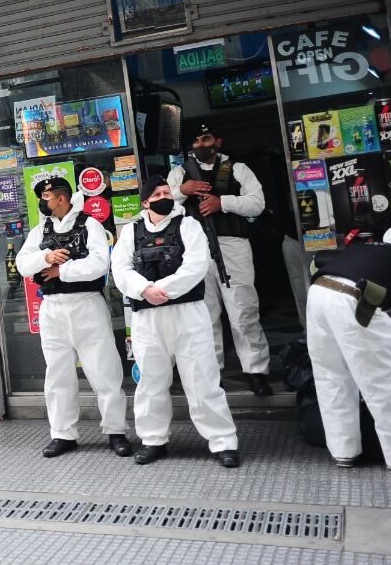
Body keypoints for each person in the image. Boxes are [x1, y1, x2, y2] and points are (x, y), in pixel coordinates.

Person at [112, 176, 241, 467]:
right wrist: (145, 289)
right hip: (147, 318)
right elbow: (120, 270)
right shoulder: (131, 231)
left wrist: (163, 290)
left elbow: (196, 265)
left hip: (187, 313)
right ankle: (153, 440)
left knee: (203, 379)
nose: (164, 196)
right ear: (145, 202)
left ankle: (223, 442)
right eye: (157, 193)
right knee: (151, 381)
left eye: (166, 191)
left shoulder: (188, 225)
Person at [307, 227, 391, 470]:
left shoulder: (371, 250)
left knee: (332, 377)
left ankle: (344, 450)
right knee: (389, 378)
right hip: (356, 299)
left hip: (318, 294)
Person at [15, 176, 132, 459]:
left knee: (104, 370)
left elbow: (99, 264)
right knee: (57, 374)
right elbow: (22, 263)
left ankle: (116, 431)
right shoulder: (40, 230)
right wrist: (46, 258)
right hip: (52, 307)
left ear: (61, 198)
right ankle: (63, 434)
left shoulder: (90, 225)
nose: (43, 202)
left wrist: (61, 271)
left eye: (46, 197)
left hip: (86, 305)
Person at [167, 123, 273, 396]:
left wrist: (222, 203)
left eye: (206, 138)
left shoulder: (238, 169)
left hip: (232, 245)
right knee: (205, 315)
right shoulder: (179, 174)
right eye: (197, 141)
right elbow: (162, 208)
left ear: (218, 141)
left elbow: (257, 203)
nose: (201, 144)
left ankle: (256, 370)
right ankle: (212, 373)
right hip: (195, 250)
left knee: (243, 311)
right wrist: (183, 190)